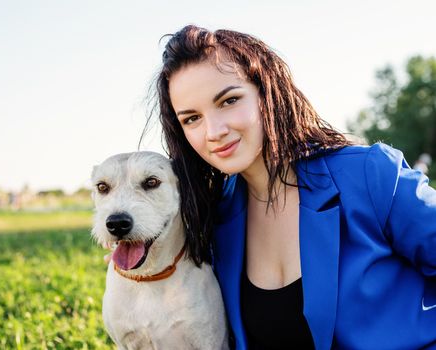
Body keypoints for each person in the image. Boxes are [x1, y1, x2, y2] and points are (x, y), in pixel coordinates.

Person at [141, 25, 436, 349]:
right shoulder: (214, 220)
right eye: (191, 119)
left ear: (266, 92)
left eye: (229, 100)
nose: (213, 131)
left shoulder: (369, 175)